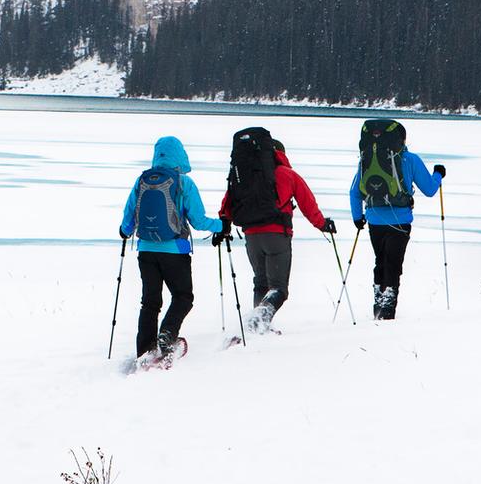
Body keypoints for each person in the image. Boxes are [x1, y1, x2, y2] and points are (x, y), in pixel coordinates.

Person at [218, 129, 335, 333]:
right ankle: (257, 323)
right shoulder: (286, 174)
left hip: (251, 236)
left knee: (260, 282)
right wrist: (322, 224)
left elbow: (229, 201)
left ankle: (259, 327)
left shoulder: (244, 175)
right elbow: (308, 204)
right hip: (276, 235)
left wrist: (224, 224)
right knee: (278, 288)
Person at [119, 135, 223, 363]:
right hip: (175, 251)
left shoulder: (142, 181)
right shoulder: (184, 183)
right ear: (181, 155)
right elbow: (198, 221)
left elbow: (128, 219)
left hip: (146, 250)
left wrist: (125, 231)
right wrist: (220, 225)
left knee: (150, 302)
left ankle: (145, 351)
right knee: (183, 297)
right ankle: (167, 337)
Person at [347, 118, 444, 320]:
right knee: (393, 265)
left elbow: (354, 192)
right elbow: (430, 190)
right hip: (400, 221)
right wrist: (438, 174)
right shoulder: (410, 159)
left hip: (374, 220)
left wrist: (358, 217)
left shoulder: (366, 160)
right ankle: (387, 311)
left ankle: (378, 305)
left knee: (380, 261)